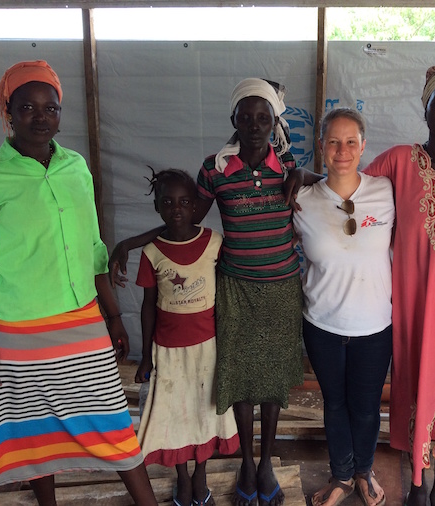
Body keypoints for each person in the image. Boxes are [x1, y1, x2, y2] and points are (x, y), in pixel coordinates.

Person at [286, 61, 435, 506]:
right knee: (413, 391)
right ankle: (414, 484)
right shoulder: (399, 161)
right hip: (413, 310)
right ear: (426, 107)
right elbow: (349, 182)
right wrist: (305, 177)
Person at [0, 60, 157, 505]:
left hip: (83, 322)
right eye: (27, 107)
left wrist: (114, 318)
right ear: (7, 111)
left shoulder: (76, 168)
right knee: (33, 433)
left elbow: (93, 249)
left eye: (51, 107)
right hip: (20, 331)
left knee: (113, 425)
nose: (41, 117)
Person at [109, 78, 303, 506]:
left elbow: (332, 186)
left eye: (264, 117)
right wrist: (130, 243)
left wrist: (306, 173)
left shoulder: (289, 169)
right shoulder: (214, 168)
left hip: (281, 290)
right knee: (236, 379)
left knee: (270, 385)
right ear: (232, 119)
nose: (255, 125)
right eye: (246, 117)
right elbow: (183, 221)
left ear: (274, 122)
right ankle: (246, 465)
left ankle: (266, 463)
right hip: (233, 288)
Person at [292, 108, 394, 506]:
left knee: (367, 407)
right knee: (334, 403)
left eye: (351, 141)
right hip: (321, 324)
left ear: (364, 145)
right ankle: (341, 477)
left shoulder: (386, 191)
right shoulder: (300, 199)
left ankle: (364, 473)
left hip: (374, 326)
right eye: (333, 141)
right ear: (320, 146)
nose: (342, 150)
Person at [134, 168, 240, 506]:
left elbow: (227, 294)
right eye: (167, 202)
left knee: (204, 411)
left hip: (208, 348)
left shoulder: (215, 242)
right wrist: (146, 355)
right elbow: (148, 306)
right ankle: (182, 477)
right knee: (175, 413)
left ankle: (200, 474)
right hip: (168, 351)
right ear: (157, 207)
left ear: (196, 205)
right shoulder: (151, 252)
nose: (176, 208)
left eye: (183, 202)